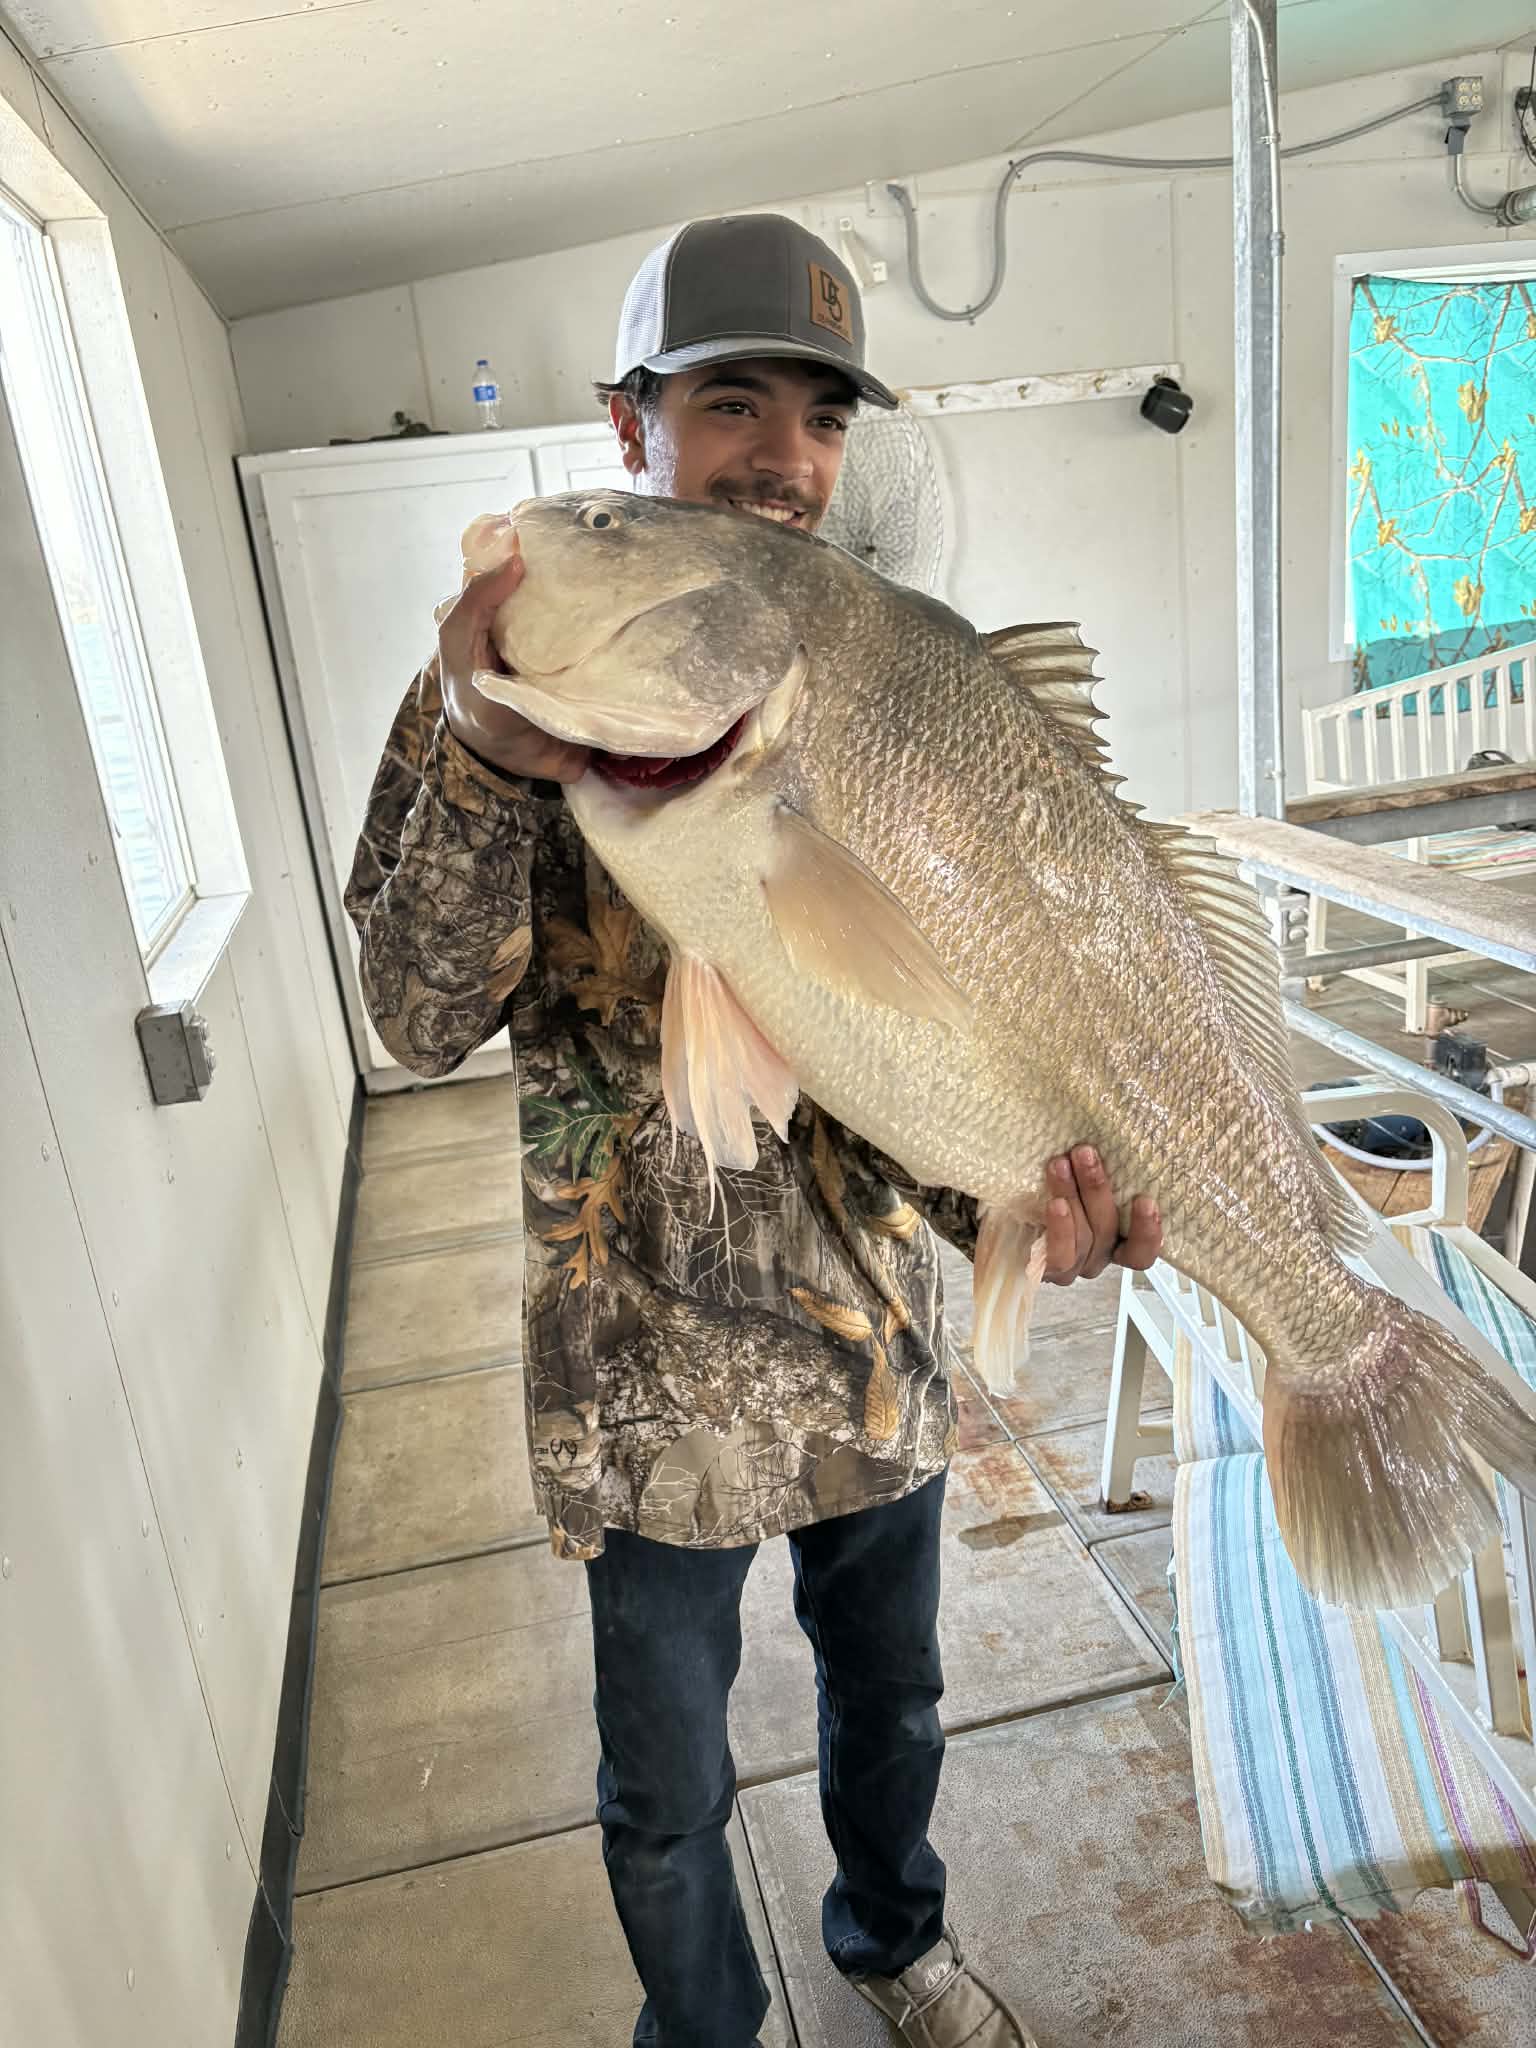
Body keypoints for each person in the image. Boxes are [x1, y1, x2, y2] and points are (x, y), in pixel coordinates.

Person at [347, 213, 1163, 2048]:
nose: (784, 456)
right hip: (647, 1390)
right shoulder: (506, 676)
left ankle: (895, 1945)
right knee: (665, 1791)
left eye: (823, 414)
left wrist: (1035, 1203)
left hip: (876, 1353)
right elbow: (411, 1018)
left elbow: (938, 1047)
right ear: (628, 422)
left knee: (899, 1707)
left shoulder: (894, 691)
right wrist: (485, 756)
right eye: (731, 401)